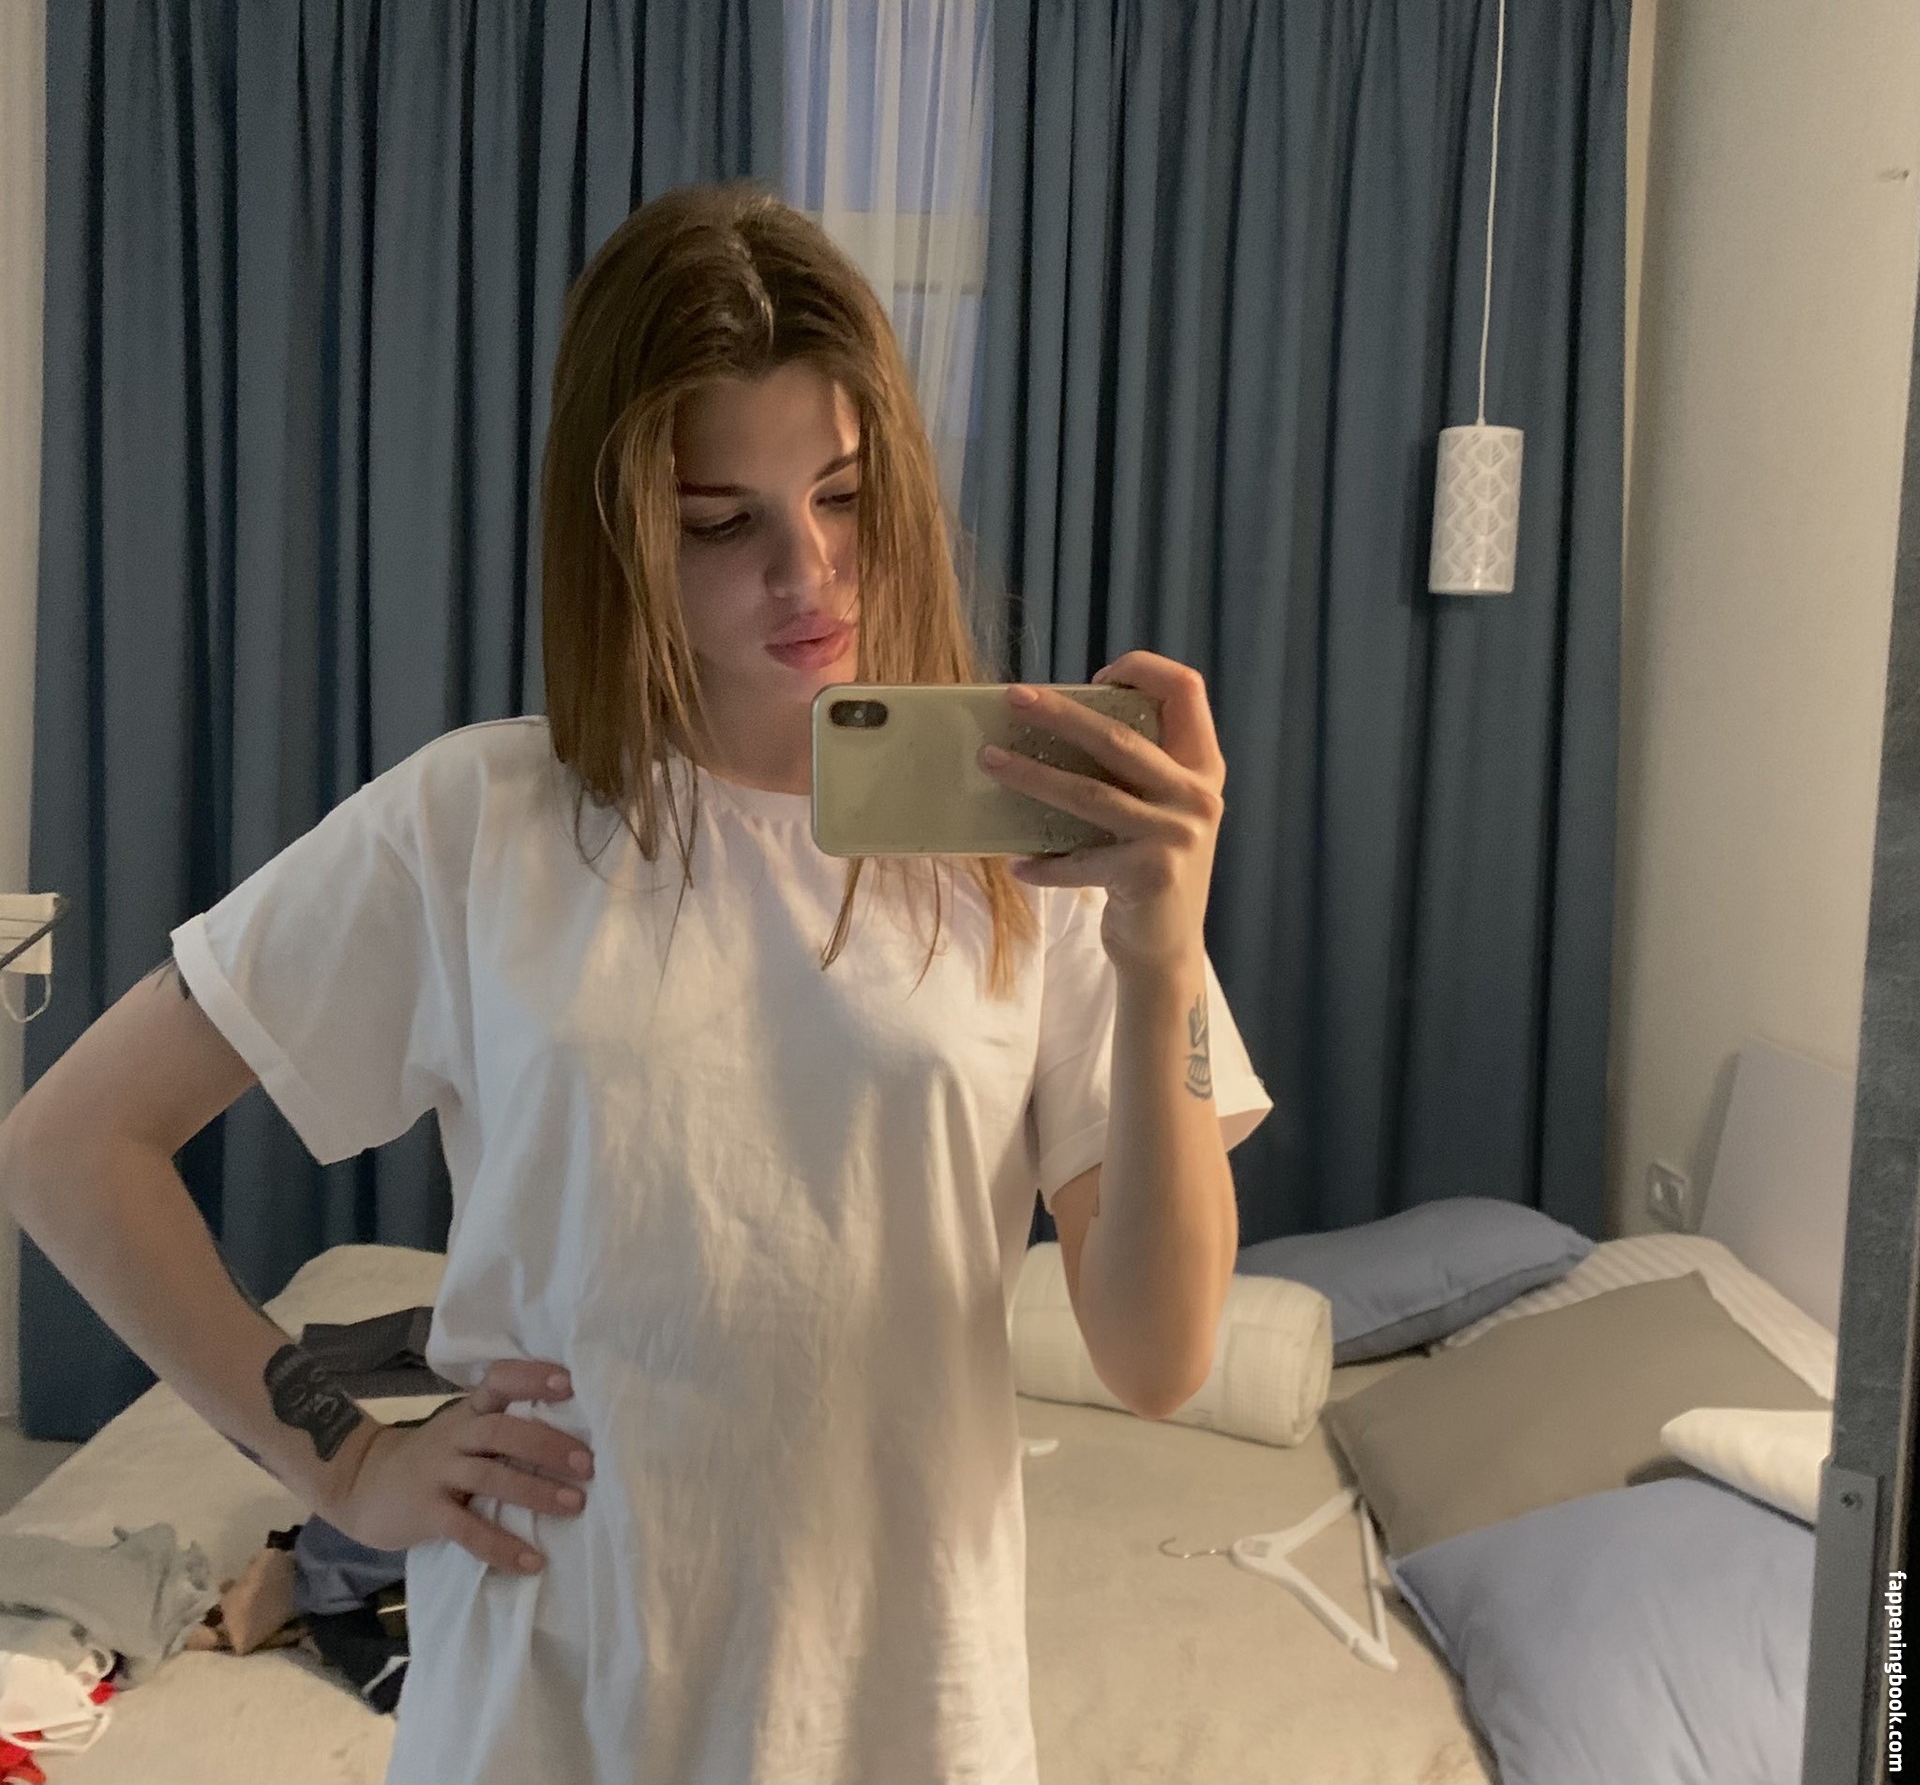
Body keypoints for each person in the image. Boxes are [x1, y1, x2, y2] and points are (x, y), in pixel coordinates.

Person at [0, 181, 1273, 1784]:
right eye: (722, 520)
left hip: (904, 1717)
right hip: (547, 1703)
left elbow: (1158, 1358)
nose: (808, 570)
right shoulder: (475, 824)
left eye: (846, 494)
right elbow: (69, 1149)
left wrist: (1160, 957)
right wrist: (344, 1464)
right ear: (620, 528)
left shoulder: (1035, 841)